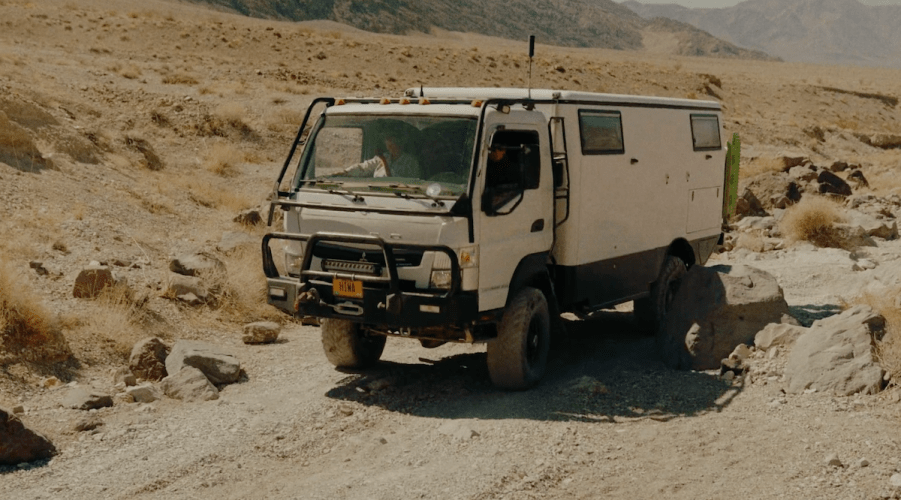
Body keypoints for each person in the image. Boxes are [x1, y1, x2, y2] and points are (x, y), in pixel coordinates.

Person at [337, 135, 420, 178]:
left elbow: (393, 180)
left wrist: (384, 161)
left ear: (400, 144)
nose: (390, 148)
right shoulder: (385, 157)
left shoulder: (411, 162)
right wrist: (344, 172)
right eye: (388, 146)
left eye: (392, 145)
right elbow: (364, 168)